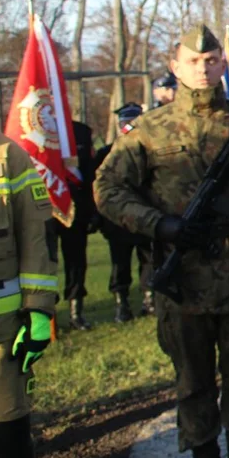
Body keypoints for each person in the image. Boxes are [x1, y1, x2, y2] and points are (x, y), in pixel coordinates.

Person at [94, 25, 229, 458]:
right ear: (175, 65)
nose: (203, 69)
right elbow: (107, 188)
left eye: (212, 60)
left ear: (222, 64)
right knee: (193, 385)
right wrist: (159, 224)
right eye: (193, 61)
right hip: (183, 284)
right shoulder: (148, 131)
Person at [0, 128, 56, 458]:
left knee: (6, 440)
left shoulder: (6, 156)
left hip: (1, 333)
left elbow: (37, 237)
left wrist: (40, 311)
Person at [94, 103, 156, 322]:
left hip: (146, 214)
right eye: (124, 122)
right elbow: (101, 188)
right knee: (119, 263)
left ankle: (149, 300)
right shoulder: (106, 152)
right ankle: (122, 303)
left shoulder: (150, 150)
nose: (128, 126)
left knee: (148, 259)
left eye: (132, 121)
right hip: (118, 220)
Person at [44, 119, 97, 330]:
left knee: (76, 261)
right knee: (44, 264)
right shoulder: (33, 130)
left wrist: (93, 210)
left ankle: (76, 312)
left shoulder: (80, 132)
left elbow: (90, 173)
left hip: (75, 207)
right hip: (43, 209)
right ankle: (47, 318)